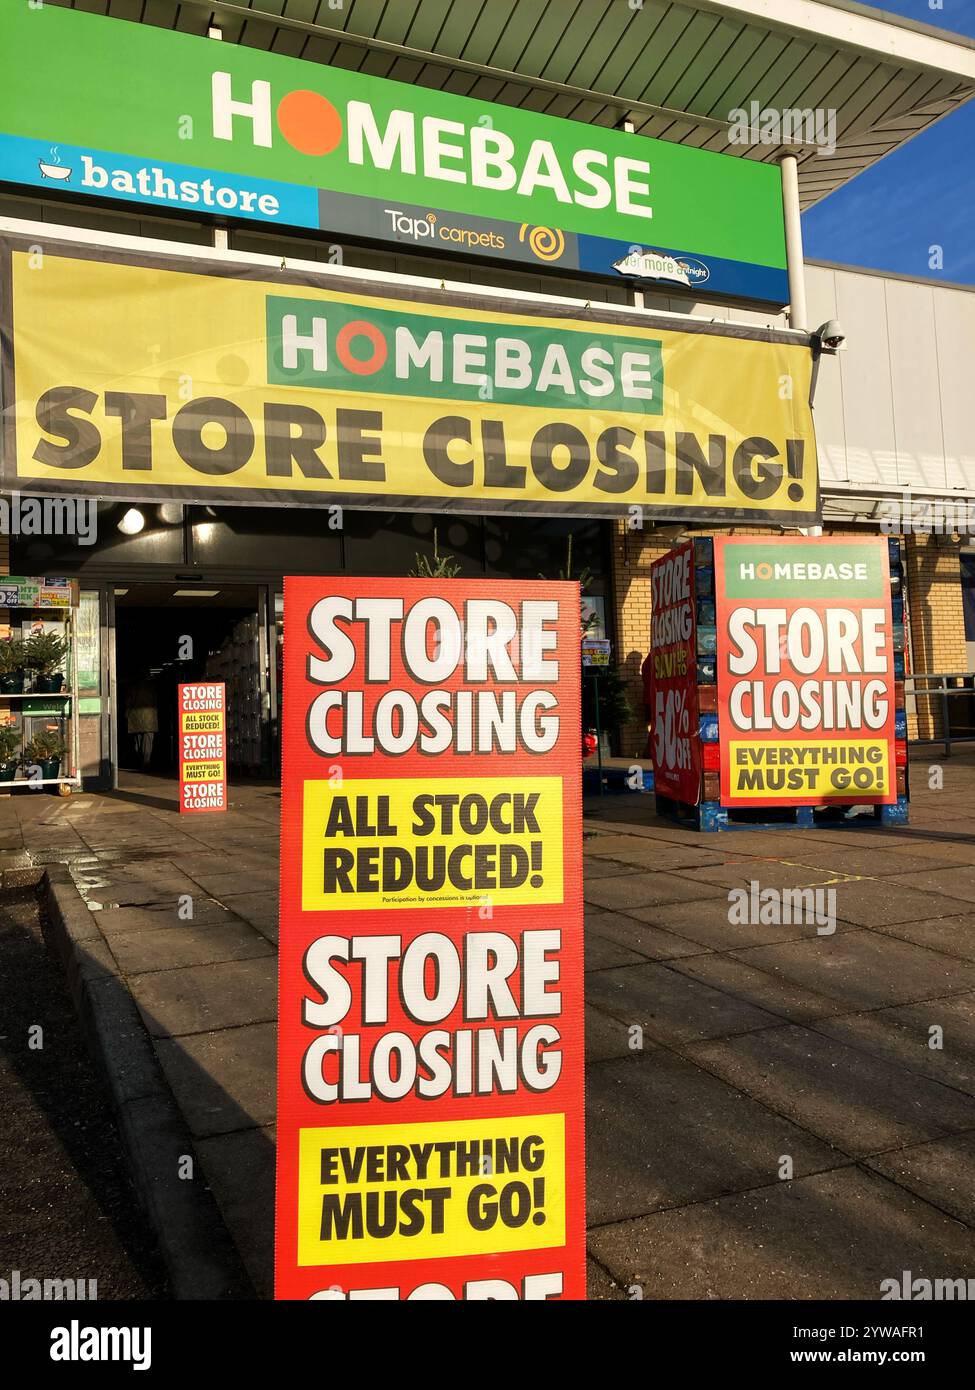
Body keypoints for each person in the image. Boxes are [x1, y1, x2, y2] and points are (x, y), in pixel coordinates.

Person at [125, 670, 159, 770]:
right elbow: (156, 701)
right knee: (148, 741)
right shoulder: (152, 688)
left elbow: (128, 702)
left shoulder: (133, 688)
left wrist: (127, 714)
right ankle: (146, 760)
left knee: (138, 741)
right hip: (150, 718)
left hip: (136, 717)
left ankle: (140, 759)